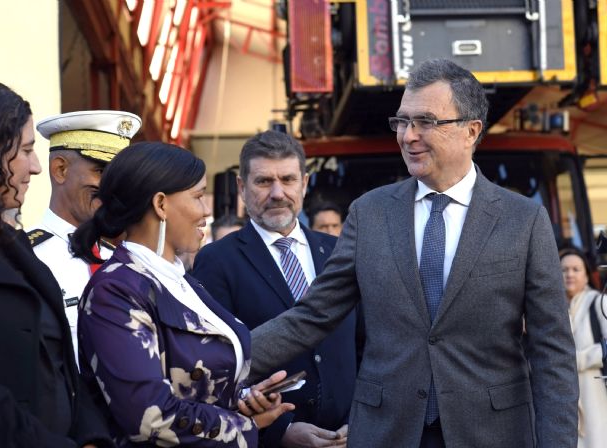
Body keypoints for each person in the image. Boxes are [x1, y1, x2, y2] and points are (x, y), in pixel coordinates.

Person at [248, 59, 579, 447]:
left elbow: (551, 352)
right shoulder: (369, 213)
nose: (408, 136)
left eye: (425, 122)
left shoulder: (523, 220)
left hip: (492, 434)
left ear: (470, 131)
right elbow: (311, 316)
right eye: (402, 122)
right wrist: (219, 359)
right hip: (387, 432)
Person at [69, 141, 294, 447]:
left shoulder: (180, 281)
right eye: (198, 196)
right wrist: (245, 425)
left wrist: (243, 398)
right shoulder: (117, 291)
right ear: (160, 204)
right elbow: (149, 417)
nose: (206, 211)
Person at [0, 75, 112, 447]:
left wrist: (91, 436)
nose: (35, 167)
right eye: (26, 150)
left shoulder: (7, 242)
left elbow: (62, 360)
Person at [193, 130, 357, 447]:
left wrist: (360, 420)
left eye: (288, 179)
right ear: (242, 187)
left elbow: (368, 347)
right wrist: (278, 431)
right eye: (264, 181)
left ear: (305, 183)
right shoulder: (217, 261)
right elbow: (214, 365)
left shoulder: (341, 252)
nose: (278, 192)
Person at [27, 110, 141, 361]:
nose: (113, 187)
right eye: (102, 172)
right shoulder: (27, 257)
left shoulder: (124, 257)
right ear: (60, 169)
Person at [559, 247, 607, 448]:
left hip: (596, 398)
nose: (569, 274)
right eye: (564, 270)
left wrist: (572, 360)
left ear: (586, 274)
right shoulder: (551, 308)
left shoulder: (599, 302)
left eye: (576, 269)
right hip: (562, 401)